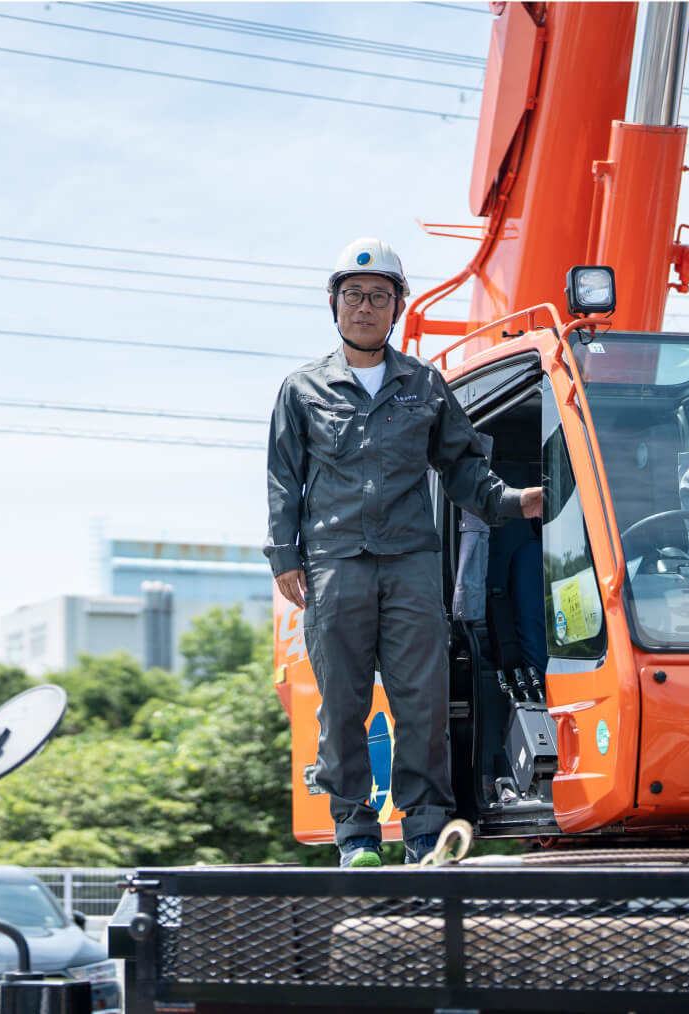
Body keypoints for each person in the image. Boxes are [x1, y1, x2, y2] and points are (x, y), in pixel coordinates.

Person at [265, 237, 543, 867]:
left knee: (423, 697)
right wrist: (285, 552)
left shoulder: (424, 384)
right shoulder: (301, 389)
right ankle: (355, 833)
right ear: (334, 304)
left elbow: (465, 468)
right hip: (335, 565)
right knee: (342, 703)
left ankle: (425, 830)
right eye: (354, 295)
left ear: (397, 307)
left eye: (380, 297)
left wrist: (512, 501)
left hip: (412, 564)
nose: (365, 307)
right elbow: (284, 476)